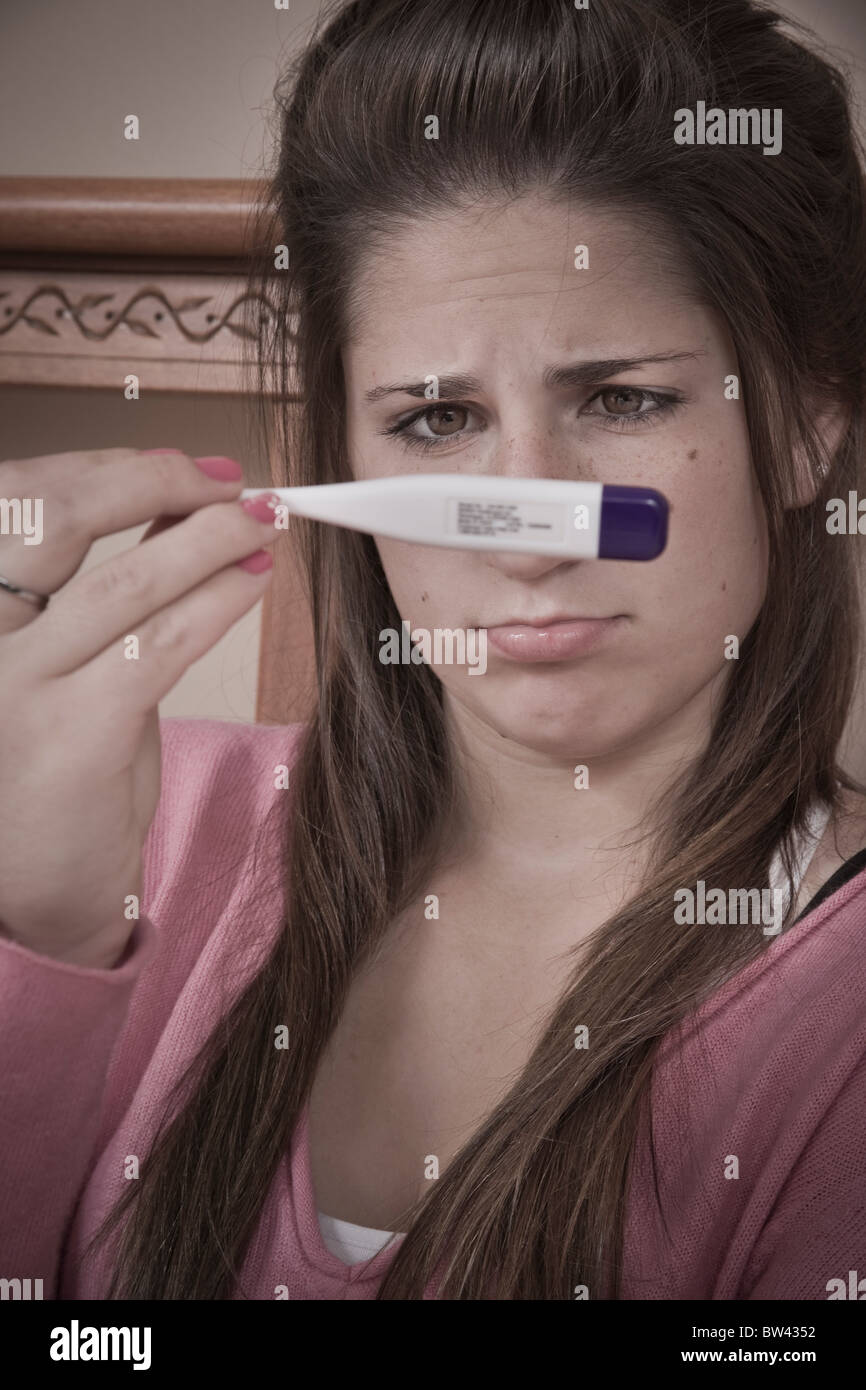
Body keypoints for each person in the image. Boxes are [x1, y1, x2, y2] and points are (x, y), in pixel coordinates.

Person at [2, 0, 866, 1301]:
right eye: (436, 417)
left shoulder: (837, 1028)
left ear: (806, 425)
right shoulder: (115, 836)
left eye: (621, 398)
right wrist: (41, 940)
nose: (527, 531)